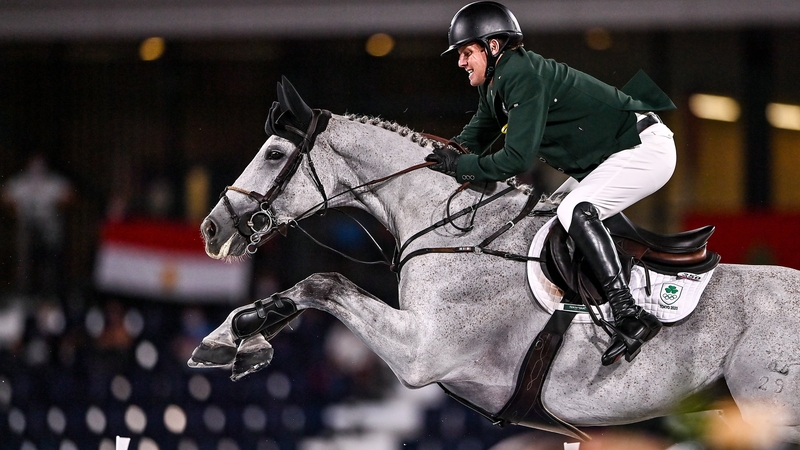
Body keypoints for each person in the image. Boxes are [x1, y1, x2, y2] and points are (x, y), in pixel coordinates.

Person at [426, 1, 677, 365]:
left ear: (492, 47)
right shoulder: (498, 80)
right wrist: (435, 156)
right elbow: (474, 137)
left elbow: (516, 159)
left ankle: (629, 313)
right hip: (616, 153)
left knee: (576, 209)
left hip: (643, 147)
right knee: (547, 216)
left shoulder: (521, 75)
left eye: (466, 53)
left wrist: (461, 166)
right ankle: (588, 306)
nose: (461, 62)